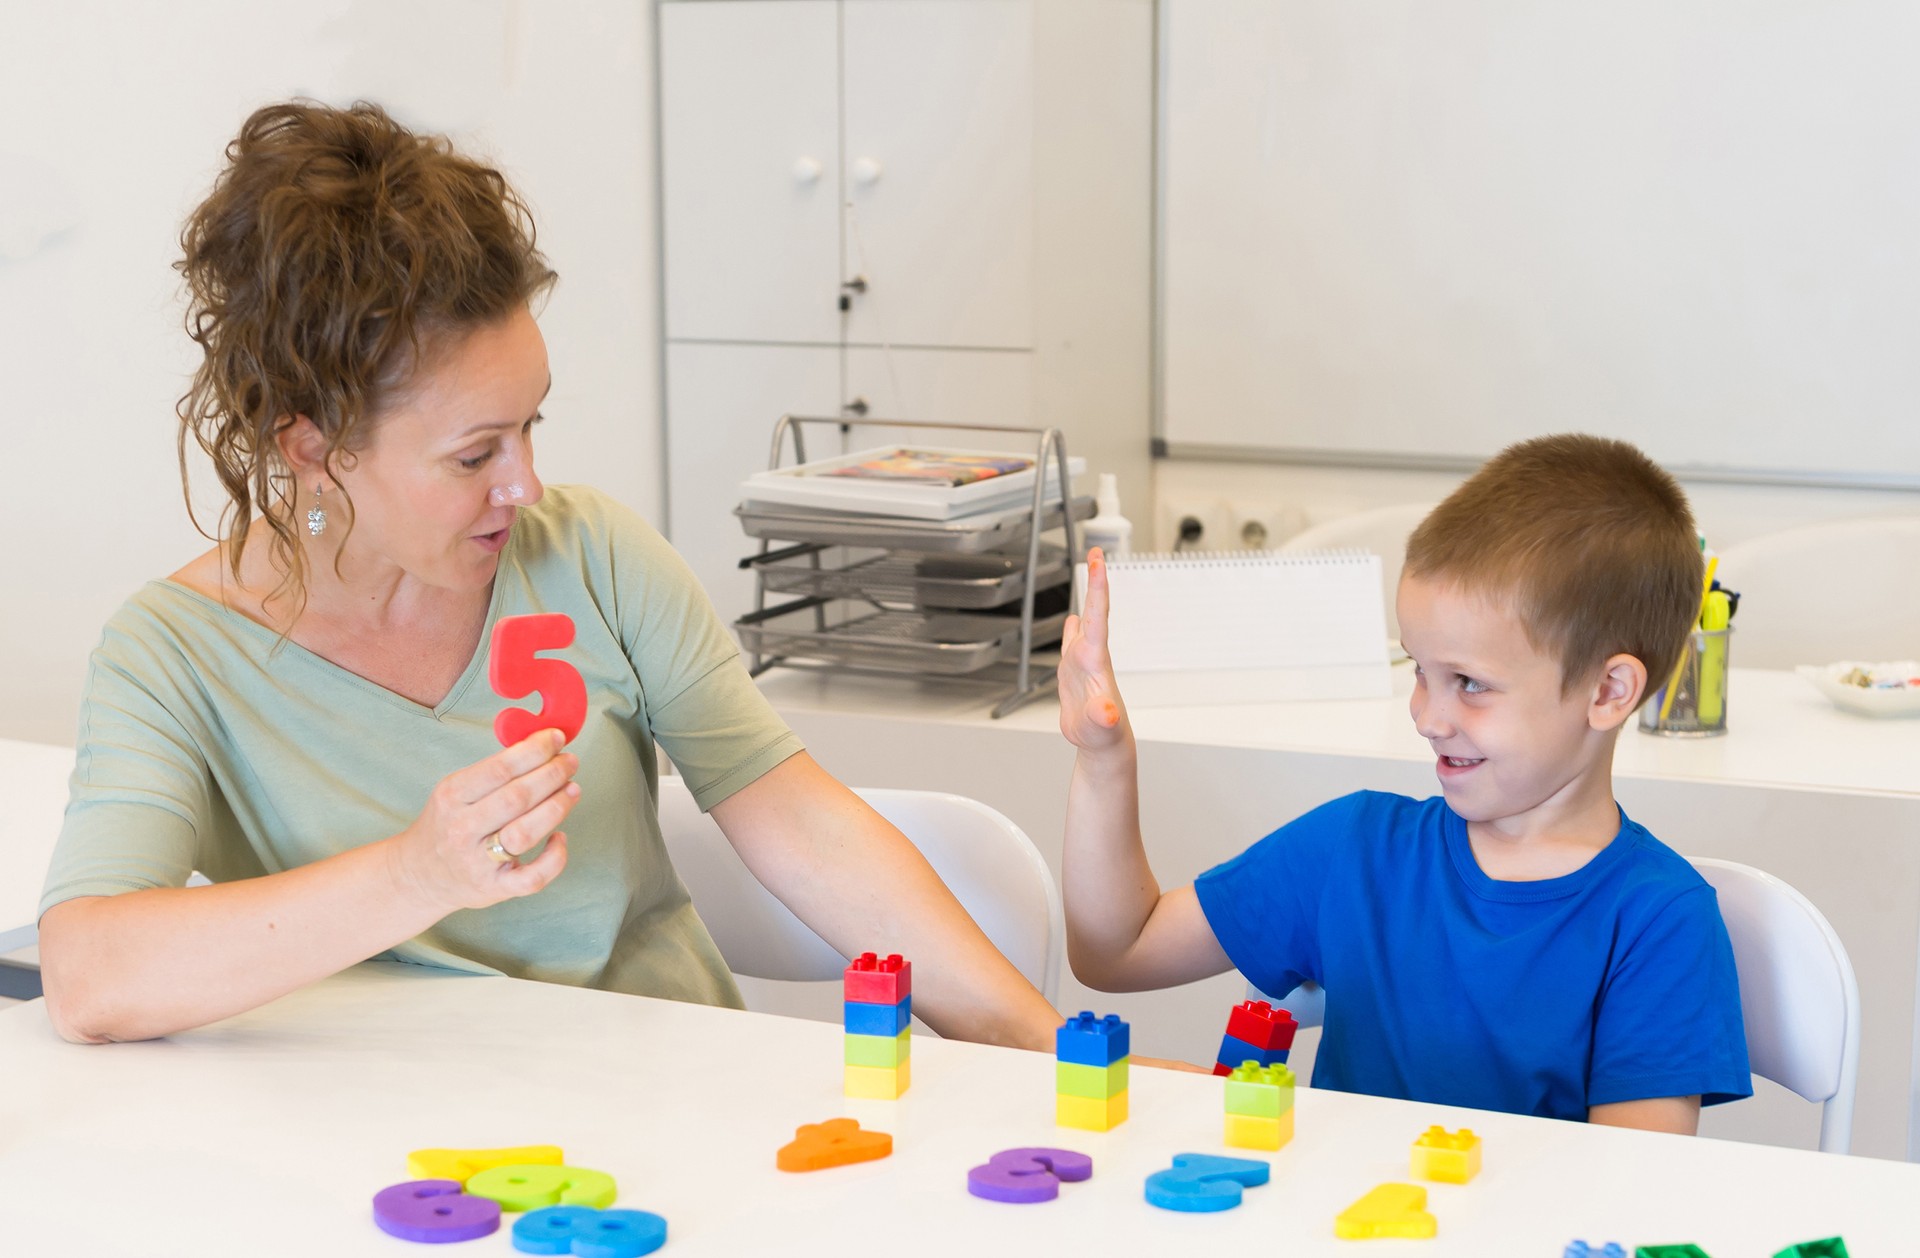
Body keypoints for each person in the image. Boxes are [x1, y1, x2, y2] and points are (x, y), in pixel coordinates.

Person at [38, 100, 1060, 1051]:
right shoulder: (172, 656)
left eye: (533, 425)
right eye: (475, 455)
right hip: (390, 1171)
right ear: (313, 449)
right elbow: (90, 971)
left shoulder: (596, 557)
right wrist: (415, 873)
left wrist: (1047, 1053)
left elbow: (796, 821)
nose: (527, 485)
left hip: (665, 1120)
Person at [1057, 434, 1751, 1132]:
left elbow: (1627, 1195)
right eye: (1420, 670)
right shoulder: (1355, 849)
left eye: (1471, 684)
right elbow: (1119, 949)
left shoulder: (1661, 923)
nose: (1427, 715)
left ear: (1608, 691)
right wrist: (1104, 758)